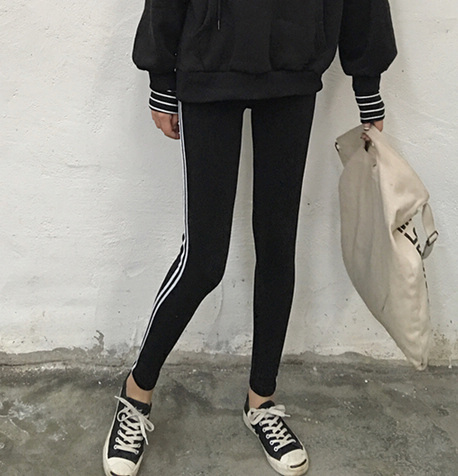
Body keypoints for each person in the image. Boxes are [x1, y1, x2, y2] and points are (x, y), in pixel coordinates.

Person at [103, 1, 397, 475]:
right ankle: (136, 392)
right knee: (203, 260)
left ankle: (261, 400)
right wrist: (161, 78)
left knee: (278, 246)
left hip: (293, 65)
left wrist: (369, 84)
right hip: (209, 61)